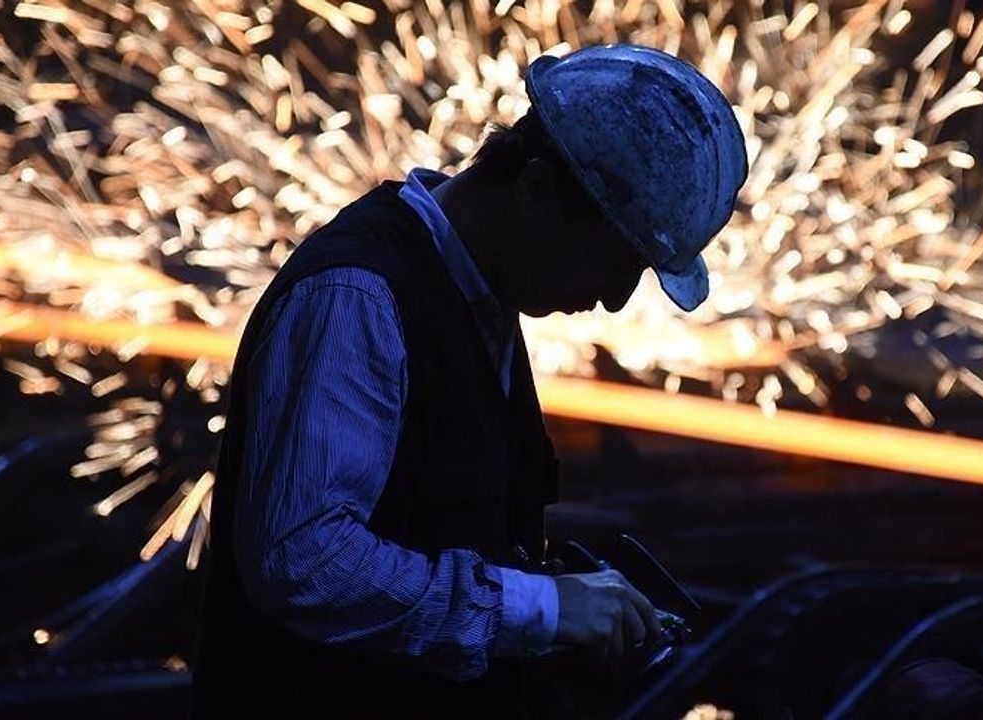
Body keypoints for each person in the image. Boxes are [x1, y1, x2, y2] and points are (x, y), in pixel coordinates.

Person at [191, 43, 747, 717]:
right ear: (535, 191)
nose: (614, 299)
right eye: (614, 261)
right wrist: (539, 607)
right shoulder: (359, 296)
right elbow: (303, 560)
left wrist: (549, 600)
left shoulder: (480, 299)